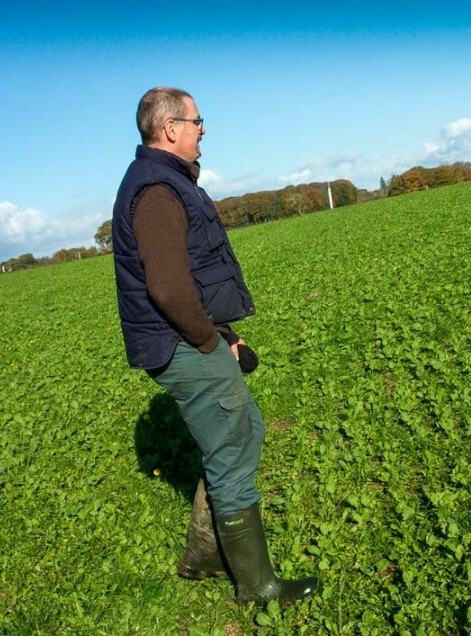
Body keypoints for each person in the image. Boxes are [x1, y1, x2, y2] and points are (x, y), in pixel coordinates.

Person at [112, 87, 318, 606]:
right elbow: (168, 287)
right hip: (179, 343)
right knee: (230, 446)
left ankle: (205, 554)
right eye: (198, 120)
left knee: (245, 428)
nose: (203, 128)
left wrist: (226, 334)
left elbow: (194, 279)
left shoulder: (168, 183)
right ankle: (258, 586)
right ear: (170, 128)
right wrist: (208, 341)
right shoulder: (157, 191)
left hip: (191, 337)